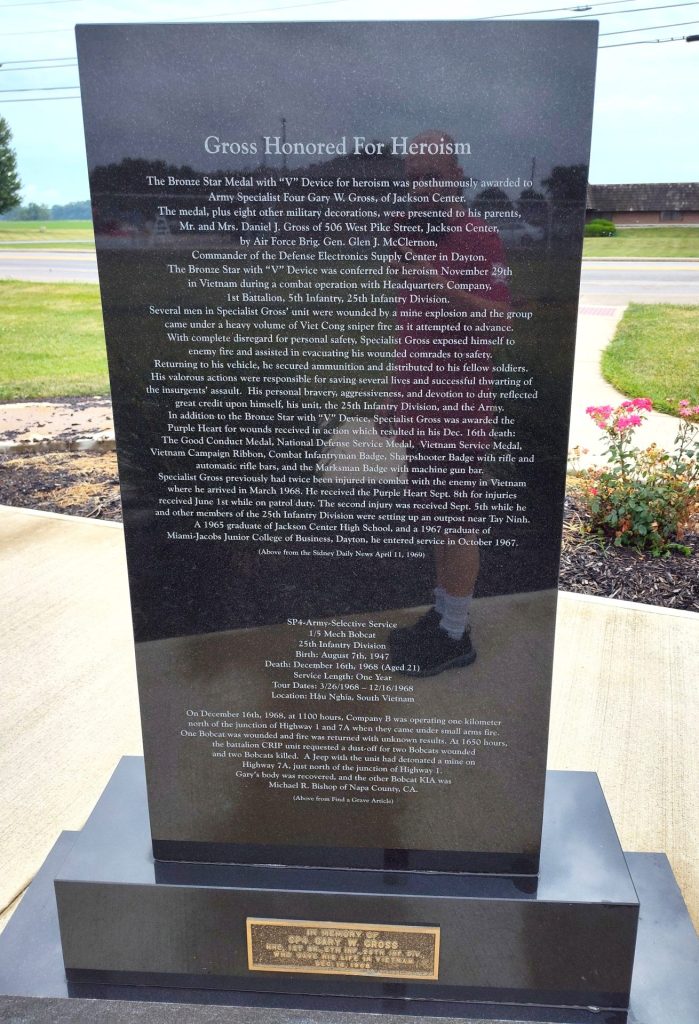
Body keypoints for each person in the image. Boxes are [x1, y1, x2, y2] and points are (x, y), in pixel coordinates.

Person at [375, 131, 510, 676]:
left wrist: (438, 281)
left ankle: (456, 636)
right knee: (437, 519)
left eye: (432, 176)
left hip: (457, 410)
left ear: (456, 176)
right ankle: (442, 616)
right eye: (412, 178)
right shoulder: (410, 236)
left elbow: (498, 322)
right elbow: (411, 329)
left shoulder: (479, 238)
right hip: (421, 406)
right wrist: (395, 394)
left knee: (456, 521)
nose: (421, 187)